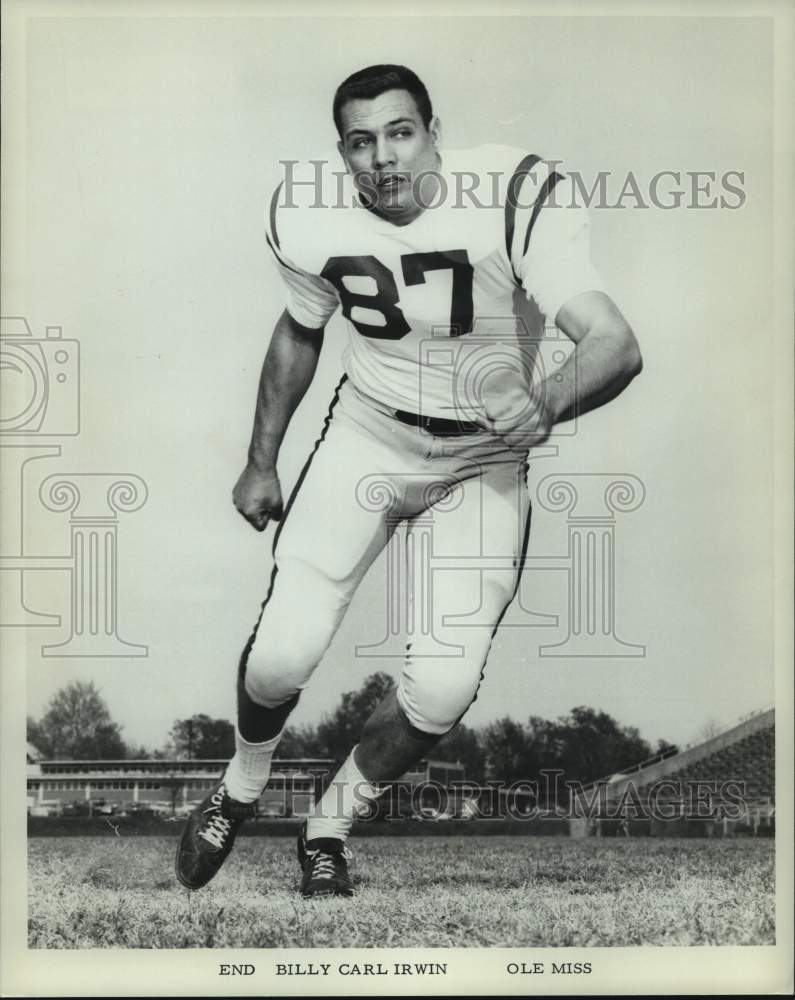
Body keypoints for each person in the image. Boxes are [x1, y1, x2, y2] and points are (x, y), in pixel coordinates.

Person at [176, 64, 642, 898]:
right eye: (360, 140)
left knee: (444, 685)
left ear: (433, 132)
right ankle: (240, 788)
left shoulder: (511, 193)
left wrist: (544, 404)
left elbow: (614, 343)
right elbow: (300, 328)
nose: (382, 157)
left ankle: (328, 828)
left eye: (400, 133)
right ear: (342, 152)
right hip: (372, 434)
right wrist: (260, 459)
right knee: (284, 653)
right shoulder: (308, 210)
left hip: (482, 456)